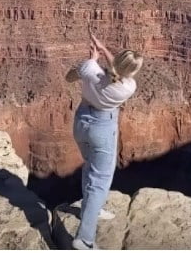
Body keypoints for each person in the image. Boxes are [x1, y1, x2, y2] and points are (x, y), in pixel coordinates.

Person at [66, 32, 143, 250]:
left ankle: (92, 208)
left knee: (90, 165)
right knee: (100, 179)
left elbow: (69, 77)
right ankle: (84, 239)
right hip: (103, 128)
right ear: (132, 72)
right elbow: (118, 71)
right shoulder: (128, 87)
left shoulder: (91, 70)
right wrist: (103, 51)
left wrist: (91, 60)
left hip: (81, 123)